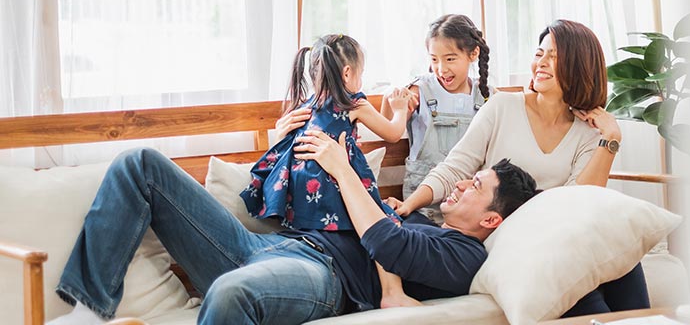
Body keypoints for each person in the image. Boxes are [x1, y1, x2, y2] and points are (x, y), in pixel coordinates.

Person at [46, 137, 541, 325]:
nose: (457, 187)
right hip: (268, 244)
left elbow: (385, 244)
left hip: (319, 276)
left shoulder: (463, 254)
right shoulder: (419, 218)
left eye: (473, 186)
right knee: (141, 164)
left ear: (491, 220)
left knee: (232, 292)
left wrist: (344, 170)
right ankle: (89, 309)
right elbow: (380, 230)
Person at [388, 19, 649, 317]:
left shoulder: (587, 132)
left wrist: (610, 140)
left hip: (549, 238)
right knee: (574, 275)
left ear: (578, 65)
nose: (541, 63)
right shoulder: (502, 106)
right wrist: (409, 205)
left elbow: (581, 201)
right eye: (539, 54)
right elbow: (455, 168)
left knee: (623, 253)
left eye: (553, 56)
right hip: (500, 236)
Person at [238, 33, 417, 307]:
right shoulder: (353, 102)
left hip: (302, 192)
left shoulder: (305, 107)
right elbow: (393, 133)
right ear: (347, 72)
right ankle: (392, 293)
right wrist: (401, 109)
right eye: (361, 73)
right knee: (383, 221)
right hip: (334, 181)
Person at [380, 14, 492, 224]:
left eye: (450, 59)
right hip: (421, 209)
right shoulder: (420, 90)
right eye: (434, 59)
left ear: (473, 53)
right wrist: (391, 101)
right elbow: (390, 133)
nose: (441, 69)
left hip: (468, 210)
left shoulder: (487, 97)